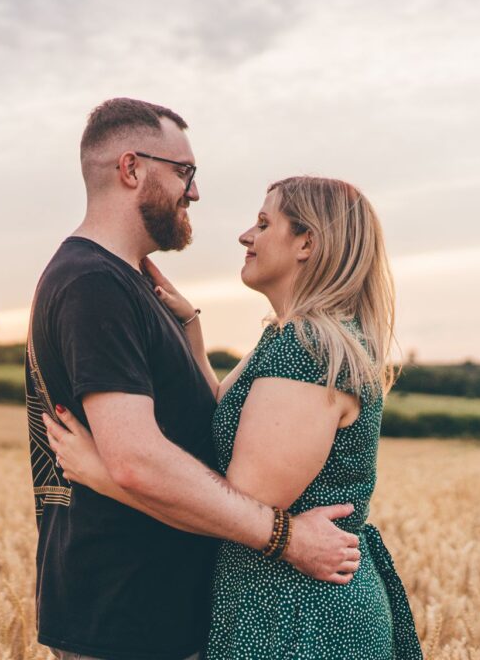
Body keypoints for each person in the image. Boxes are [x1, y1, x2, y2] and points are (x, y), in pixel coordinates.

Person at [25, 98, 363, 660]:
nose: (196, 192)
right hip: (125, 620)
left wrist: (189, 333)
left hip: (153, 615)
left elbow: (197, 429)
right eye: (185, 172)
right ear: (132, 169)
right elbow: (137, 460)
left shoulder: (131, 287)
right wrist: (287, 538)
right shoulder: (94, 284)